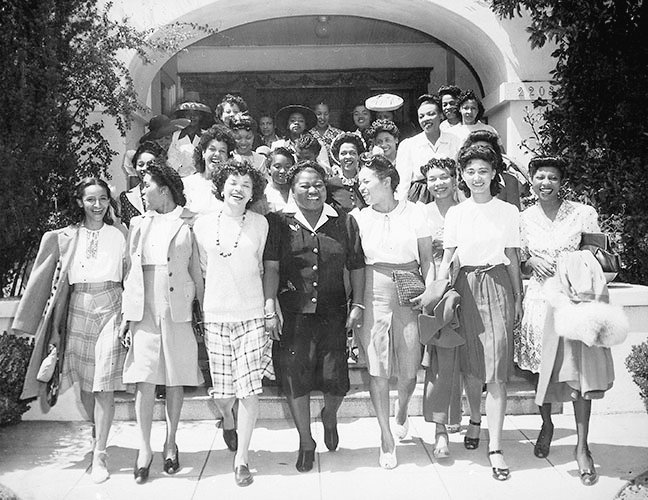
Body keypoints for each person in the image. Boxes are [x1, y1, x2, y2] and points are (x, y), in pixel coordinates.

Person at [15, 178, 127, 484]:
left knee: (103, 382)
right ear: (79, 202)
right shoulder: (65, 236)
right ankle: (98, 432)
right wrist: (41, 326)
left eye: (103, 199)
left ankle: (100, 452)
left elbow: (132, 275)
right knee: (88, 387)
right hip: (78, 306)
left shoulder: (120, 234)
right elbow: (43, 279)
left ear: (109, 201)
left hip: (112, 304)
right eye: (91, 200)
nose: (98, 205)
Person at [263, 160, 365, 472]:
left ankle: (330, 415)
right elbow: (272, 268)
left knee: (337, 382)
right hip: (294, 315)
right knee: (296, 379)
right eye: (304, 185)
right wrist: (270, 307)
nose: (312, 190)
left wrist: (357, 304)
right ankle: (306, 441)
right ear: (291, 190)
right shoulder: (278, 223)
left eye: (318, 185)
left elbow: (357, 266)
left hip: (333, 313)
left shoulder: (344, 222)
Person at [515, 156, 612, 485]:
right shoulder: (523, 218)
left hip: (576, 304)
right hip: (540, 302)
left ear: (561, 181)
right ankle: (547, 424)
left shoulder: (583, 213)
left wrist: (571, 262)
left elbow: (600, 258)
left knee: (580, 376)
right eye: (540, 176)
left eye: (552, 177)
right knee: (542, 372)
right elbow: (520, 260)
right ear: (531, 180)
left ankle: (582, 447)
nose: (546, 182)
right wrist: (532, 260)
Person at [437, 144, 522, 481]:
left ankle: (496, 447)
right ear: (463, 175)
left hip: (498, 284)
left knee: (497, 366)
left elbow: (513, 257)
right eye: (470, 171)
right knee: (473, 365)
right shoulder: (456, 213)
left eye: (483, 171)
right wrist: (440, 287)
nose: (476, 178)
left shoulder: (508, 211)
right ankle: (475, 419)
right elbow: (448, 257)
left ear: (494, 173)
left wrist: (517, 296)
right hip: (466, 287)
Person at [120, 163, 204, 484]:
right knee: (144, 378)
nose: (143, 191)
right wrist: (128, 320)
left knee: (174, 377)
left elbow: (196, 269)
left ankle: (170, 442)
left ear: (164, 190)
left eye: (147, 186)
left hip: (177, 305)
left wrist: (202, 309)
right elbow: (131, 275)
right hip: (145, 306)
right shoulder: (138, 224)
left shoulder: (189, 221)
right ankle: (144, 448)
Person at [352, 154, 436, 469]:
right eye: (359, 182)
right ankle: (386, 436)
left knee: (410, 365)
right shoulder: (358, 218)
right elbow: (356, 264)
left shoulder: (415, 213)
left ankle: (402, 410)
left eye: (366, 181)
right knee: (378, 366)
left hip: (410, 285)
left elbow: (428, 259)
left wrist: (429, 292)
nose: (361, 187)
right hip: (374, 287)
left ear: (386, 181)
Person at [193, 160, 270, 487]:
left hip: (251, 314)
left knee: (250, 390)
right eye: (233, 183)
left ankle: (242, 460)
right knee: (225, 395)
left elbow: (260, 266)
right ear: (221, 186)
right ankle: (226, 418)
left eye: (246, 185)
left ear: (253, 193)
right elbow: (203, 269)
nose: (239, 189)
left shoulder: (260, 224)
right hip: (217, 315)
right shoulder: (202, 225)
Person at [418, 158, 463, 456]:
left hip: (470, 284)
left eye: (444, 177)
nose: (439, 183)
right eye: (432, 179)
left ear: (455, 178)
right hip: (437, 287)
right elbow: (423, 258)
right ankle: (440, 429)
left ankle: (468, 420)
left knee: (467, 359)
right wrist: (434, 292)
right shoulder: (421, 214)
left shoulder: (469, 209)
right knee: (441, 359)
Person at [395, 94, 462, 203]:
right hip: (420, 196)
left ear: (441, 115)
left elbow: (460, 175)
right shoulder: (409, 144)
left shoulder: (455, 141)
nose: (426, 119)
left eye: (431, 114)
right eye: (421, 116)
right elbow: (403, 182)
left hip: (449, 194)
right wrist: (401, 207)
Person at [457, 129, 521, 209]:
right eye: (476, 148)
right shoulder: (463, 182)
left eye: (487, 148)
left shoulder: (509, 180)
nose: (481, 152)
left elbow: (515, 214)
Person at [183, 124, 236, 215]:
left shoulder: (233, 185)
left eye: (222, 151)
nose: (217, 154)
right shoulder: (187, 183)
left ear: (228, 157)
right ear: (203, 153)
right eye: (212, 149)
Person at [272, 105, 330, 171]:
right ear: (287, 125)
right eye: (292, 120)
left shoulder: (318, 144)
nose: (296, 123)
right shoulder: (278, 145)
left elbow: (326, 168)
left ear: (305, 125)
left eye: (301, 121)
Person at [120, 142, 164, 227]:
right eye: (140, 164)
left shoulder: (168, 192)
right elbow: (127, 230)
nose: (144, 168)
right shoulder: (127, 197)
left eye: (150, 164)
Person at [167, 101, 212, 177]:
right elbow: (172, 158)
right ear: (184, 116)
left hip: (201, 177)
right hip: (181, 177)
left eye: (196, 114)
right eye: (188, 114)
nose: (192, 117)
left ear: (200, 116)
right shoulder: (177, 135)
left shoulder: (206, 135)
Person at [326, 132, 367, 213]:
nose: (348, 157)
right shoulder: (330, 184)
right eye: (343, 153)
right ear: (337, 157)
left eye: (352, 153)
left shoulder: (366, 181)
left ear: (358, 156)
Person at [264, 147, 295, 213]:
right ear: (268, 169)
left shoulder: (298, 190)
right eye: (277, 167)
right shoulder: (264, 195)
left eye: (287, 167)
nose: (283, 171)